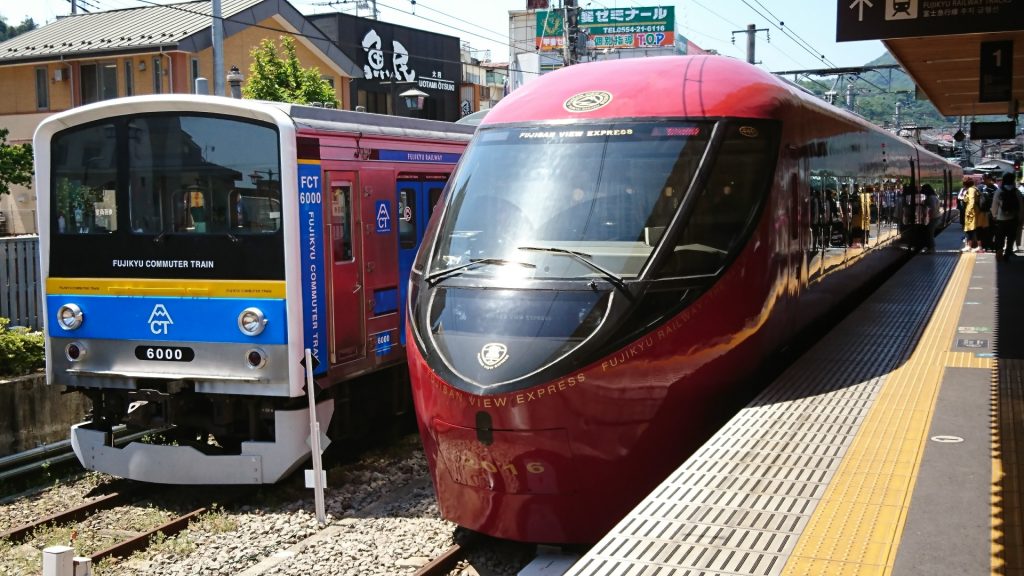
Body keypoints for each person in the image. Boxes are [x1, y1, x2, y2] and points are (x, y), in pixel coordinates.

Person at [992, 172, 1020, 261]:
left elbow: (994, 205)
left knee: (1000, 237)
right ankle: (1008, 252)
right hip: (1013, 219)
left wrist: (994, 215)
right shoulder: (1016, 191)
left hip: (1001, 219)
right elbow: (1021, 206)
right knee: (1011, 237)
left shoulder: (999, 191)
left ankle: (999, 251)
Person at [962, 175, 983, 253]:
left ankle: (970, 246)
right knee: (973, 230)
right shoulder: (974, 188)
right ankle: (972, 246)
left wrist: (969, 212)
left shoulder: (971, 190)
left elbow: (971, 201)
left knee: (971, 230)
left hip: (972, 213)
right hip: (975, 211)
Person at [921, 184, 939, 253]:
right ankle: (929, 247)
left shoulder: (931, 198)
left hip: (934, 218)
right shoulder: (933, 196)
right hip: (934, 217)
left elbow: (933, 208)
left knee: (930, 233)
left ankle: (932, 248)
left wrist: (929, 217)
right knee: (929, 233)